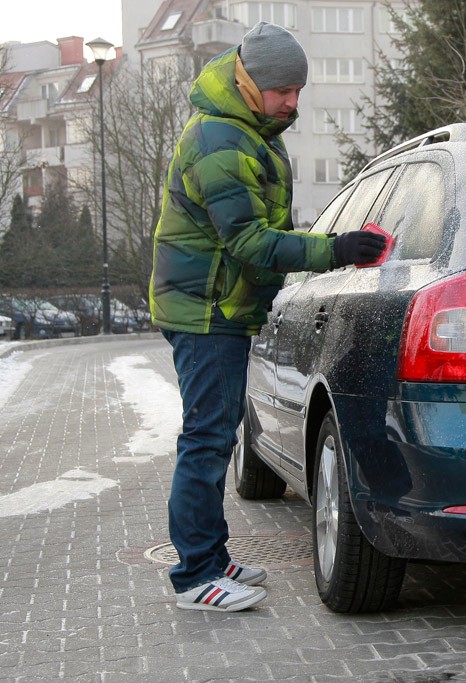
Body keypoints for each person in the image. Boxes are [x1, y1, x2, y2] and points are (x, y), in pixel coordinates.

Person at [149, 21, 385, 612]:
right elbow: (251, 241)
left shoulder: (250, 129)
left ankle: (212, 557)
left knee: (216, 432)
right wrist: (334, 250)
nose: (293, 102)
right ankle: (194, 577)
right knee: (205, 440)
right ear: (251, 82)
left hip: (219, 307)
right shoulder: (221, 140)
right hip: (205, 311)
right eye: (284, 90)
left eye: (298, 91)